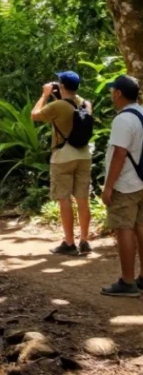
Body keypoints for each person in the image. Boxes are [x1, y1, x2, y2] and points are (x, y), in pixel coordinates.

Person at [31, 71, 95, 256]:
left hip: (63, 156)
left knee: (64, 198)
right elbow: (73, 106)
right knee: (83, 198)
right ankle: (85, 240)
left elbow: (35, 115)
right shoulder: (84, 103)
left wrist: (44, 95)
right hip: (83, 155)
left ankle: (69, 242)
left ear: (63, 86)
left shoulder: (58, 105)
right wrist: (58, 93)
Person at [100, 75, 143, 297]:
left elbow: (119, 154)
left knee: (124, 228)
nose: (111, 95)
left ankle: (127, 281)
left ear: (117, 93)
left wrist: (108, 187)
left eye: (112, 91)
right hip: (141, 182)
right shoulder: (142, 113)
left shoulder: (123, 120)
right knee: (140, 227)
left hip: (125, 184)